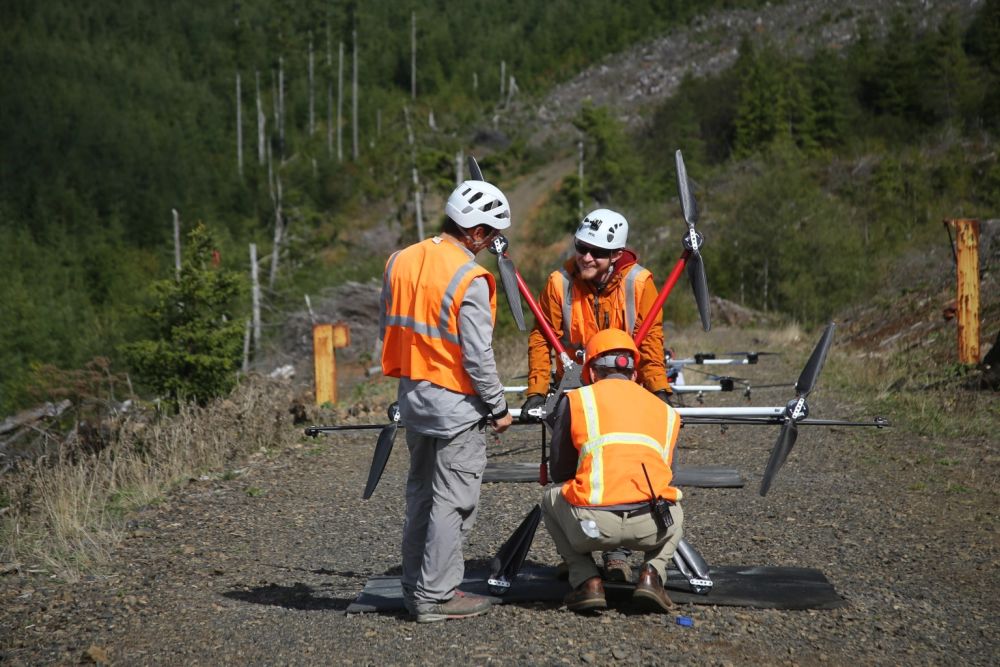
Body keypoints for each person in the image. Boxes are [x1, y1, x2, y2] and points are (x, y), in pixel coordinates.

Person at [379, 179, 514, 623]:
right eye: (491, 235)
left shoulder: (400, 260)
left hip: (413, 399)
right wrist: (497, 407)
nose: (492, 244)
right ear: (475, 232)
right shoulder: (469, 277)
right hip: (455, 406)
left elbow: (394, 327)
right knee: (451, 502)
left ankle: (414, 589)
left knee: (420, 496)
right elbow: (477, 356)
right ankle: (437, 597)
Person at [540, 328, 684, 614]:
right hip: (652, 529)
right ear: (634, 373)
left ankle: (586, 580)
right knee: (676, 507)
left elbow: (559, 470)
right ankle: (652, 574)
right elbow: (667, 475)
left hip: (592, 528)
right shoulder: (666, 411)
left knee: (549, 497)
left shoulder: (579, 400)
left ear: (592, 373)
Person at [522, 208, 671, 414]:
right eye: (582, 248)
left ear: (616, 254)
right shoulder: (558, 283)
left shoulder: (639, 283)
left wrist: (658, 389)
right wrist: (536, 392)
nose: (587, 258)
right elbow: (541, 337)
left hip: (626, 384)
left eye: (598, 252)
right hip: (574, 388)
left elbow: (651, 339)